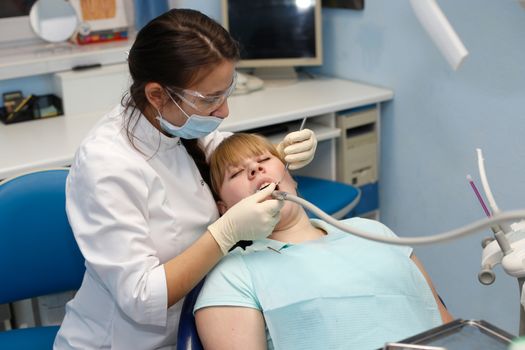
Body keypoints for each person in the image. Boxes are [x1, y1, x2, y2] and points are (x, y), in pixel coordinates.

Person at [53, 9, 317, 350]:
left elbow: (224, 148)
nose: (224, 112)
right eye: (209, 99)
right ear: (157, 95)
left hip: (198, 329)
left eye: (227, 91)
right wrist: (225, 233)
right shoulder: (107, 165)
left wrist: (275, 154)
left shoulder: (177, 125)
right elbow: (141, 297)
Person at [194, 133, 454, 350]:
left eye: (264, 159)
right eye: (236, 173)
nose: (254, 168)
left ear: (292, 178)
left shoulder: (373, 232)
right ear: (224, 209)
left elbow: (449, 329)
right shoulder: (234, 275)